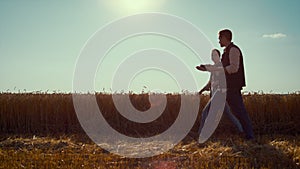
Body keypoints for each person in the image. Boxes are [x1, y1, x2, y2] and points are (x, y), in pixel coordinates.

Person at [198, 29, 254, 140]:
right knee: (208, 111)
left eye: (219, 38)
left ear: (225, 37)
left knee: (239, 112)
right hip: (224, 88)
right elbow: (220, 68)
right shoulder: (226, 52)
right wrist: (206, 68)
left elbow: (234, 68)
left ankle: (249, 136)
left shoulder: (233, 50)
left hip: (232, 87)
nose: (218, 40)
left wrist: (215, 70)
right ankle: (203, 135)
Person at [196, 49, 243, 134]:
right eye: (212, 55)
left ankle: (201, 133)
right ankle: (241, 130)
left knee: (205, 112)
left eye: (215, 55)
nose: (213, 57)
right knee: (228, 114)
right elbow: (210, 83)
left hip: (219, 93)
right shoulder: (214, 69)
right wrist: (201, 91)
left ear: (219, 56)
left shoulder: (221, 67)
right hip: (214, 93)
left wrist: (205, 68)